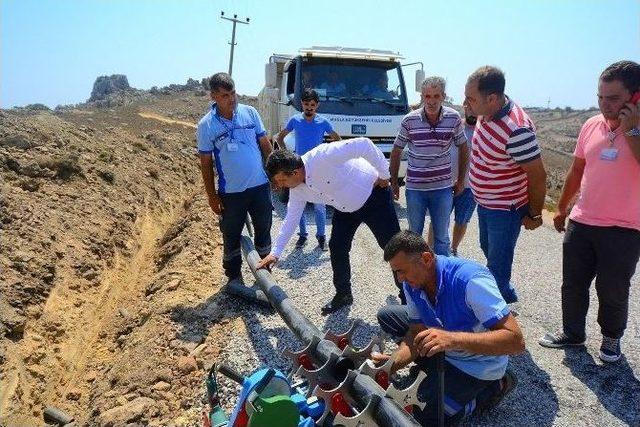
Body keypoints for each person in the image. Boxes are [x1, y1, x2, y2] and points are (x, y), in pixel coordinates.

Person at [539, 60, 640, 363]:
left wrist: (631, 129)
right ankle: (572, 333)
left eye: (614, 98)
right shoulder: (590, 125)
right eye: (601, 97)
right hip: (582, 220)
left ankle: (611, 339)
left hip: (625, 227)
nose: (605, 105)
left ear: (634, 97)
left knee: (613, 288)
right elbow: (576, 169)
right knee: (573, 283)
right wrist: (561, 207)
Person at [374, 231, 524, 425]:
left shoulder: (471, 281)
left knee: (422, 415)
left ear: (426, 259)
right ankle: (432, 365)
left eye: (402, 271)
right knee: (387, 316)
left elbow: (516, 342)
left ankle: (494, 387)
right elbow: (416, 332)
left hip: (477, 365)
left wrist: (451, 340)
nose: (400, 279)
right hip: (446, 345)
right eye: (395, 272)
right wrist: (391, 365)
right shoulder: (413, 282)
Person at [256, 139, 402, 314]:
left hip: (374, 196)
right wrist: (275, 253)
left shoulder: (322, 156)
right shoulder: (296, 190)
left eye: (281, 180)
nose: (279, 186)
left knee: (394, 248)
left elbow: (364, 145)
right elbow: (291, 219)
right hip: (345, 208)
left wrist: (385, 174)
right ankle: (343, 294)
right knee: (337, 247)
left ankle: (408, 297)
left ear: (294, 172)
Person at [463, 66, 547, 304]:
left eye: (470, 98)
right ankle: (506, 295)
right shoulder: (486, 111)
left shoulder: (517, 129)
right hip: (485, 203)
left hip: (505, 209)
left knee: (496, 266)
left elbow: (538, 175)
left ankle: (494, 322)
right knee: (487, 248)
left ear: (491, 98)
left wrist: (534, 213)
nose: (466, 103)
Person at [196, 72, 273, 286]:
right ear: (213, 97)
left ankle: (265, 276)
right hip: (231, 194)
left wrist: (275, 175)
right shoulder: (206, 125)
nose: (231, 99)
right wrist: (212, 197)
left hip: (259, 188)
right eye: (224, 95)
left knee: (264, 230)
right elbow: (205, 164)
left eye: (233, 93)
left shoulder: (250, 113)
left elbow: (265, 145)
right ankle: (234, 278)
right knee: (231, 235)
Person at [390, 76, 469, 256]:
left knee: (442, 238)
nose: (431, 101)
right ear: (422, 97)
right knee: (414, 238)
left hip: (442, 188)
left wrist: (461, 179)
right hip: (415, 189)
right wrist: (394, 182)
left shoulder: (453, 118)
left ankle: (440, 280)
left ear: (443, 96)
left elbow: (464, 147)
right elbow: (396, 150)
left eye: (436, 96)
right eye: (427, 96)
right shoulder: (409, 120)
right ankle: (416, 281)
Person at [275, 89, 341, 250]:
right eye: (306, 104)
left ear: (317, 105)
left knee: (319, 204)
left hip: (317, 168)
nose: (309, 107)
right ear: (302, 104)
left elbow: (337, 140)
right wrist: (287, 155)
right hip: (297, 168)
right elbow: (279, 137)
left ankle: (321, 237)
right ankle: (303, 236)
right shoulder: (295, 120)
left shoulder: (323, 122)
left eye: (312, 105)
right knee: (299, 203)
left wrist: (330, 155)